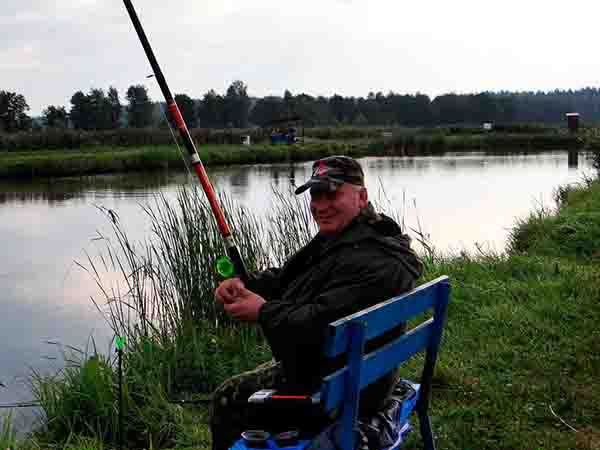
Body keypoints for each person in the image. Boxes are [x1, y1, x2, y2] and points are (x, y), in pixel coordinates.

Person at [211, 155, 423, 450]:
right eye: (316, 195)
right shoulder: (348, 237)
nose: (321, 206)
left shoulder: (374, 260)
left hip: (343, 392)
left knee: (227, 397)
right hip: (352, 373)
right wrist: (246, 284)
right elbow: (288, 277)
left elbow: (319, 322)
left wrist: (262, 311)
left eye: (332, 194)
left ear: (362, 197)